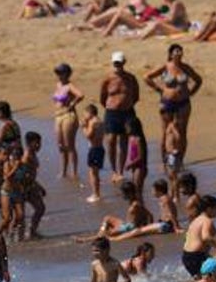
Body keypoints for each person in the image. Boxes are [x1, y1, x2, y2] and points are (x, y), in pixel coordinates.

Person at [144, 44, 201, 178]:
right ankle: (165, 161)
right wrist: (159, 90)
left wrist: (191, 92)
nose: (179, 53)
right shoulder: (165, 66)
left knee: (182, 132)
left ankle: (180, 160)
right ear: (170, 54)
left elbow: (198, 80)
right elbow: (147, 77)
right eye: (176, 51)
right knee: (166, 132)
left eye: (180, 51)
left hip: (183, 103)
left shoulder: (185, 67)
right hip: (167, 102)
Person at [100, 51, 140, 180]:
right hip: (112, 112)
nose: (117, 65)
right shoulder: (108, 78)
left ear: (123, 63)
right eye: (115, 63)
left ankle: (121, 170)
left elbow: (136, 96)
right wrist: (112, 105)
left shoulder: (131, 78)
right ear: (113, 63)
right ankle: (113, 170)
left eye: (119, 63)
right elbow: (102, 97)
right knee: (111, 140)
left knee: (124, 141)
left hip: (127, 112)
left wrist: (126, 104)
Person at [52, 63, 84, 180]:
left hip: (68, 116)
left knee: (69, 145)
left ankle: (74, 172)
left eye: (61, 73)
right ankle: (63, 171)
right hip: (58, 116)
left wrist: (72, 103)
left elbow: (80, 95)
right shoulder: (58, 84)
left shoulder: (70, 86)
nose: (59, 76)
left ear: (67, 74)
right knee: (61, 146)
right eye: (58, 73)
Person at [82, 104, 105, 203]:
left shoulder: (93, 122)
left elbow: (88, 135)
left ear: (90, 113)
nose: (84, 116)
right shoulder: (100, 121)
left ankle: (96, 194)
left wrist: (83, 127)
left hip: (94, 149)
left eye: (85, 114)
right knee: (95, 173)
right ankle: (97, 193)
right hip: (100, 148)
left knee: (93, 173)